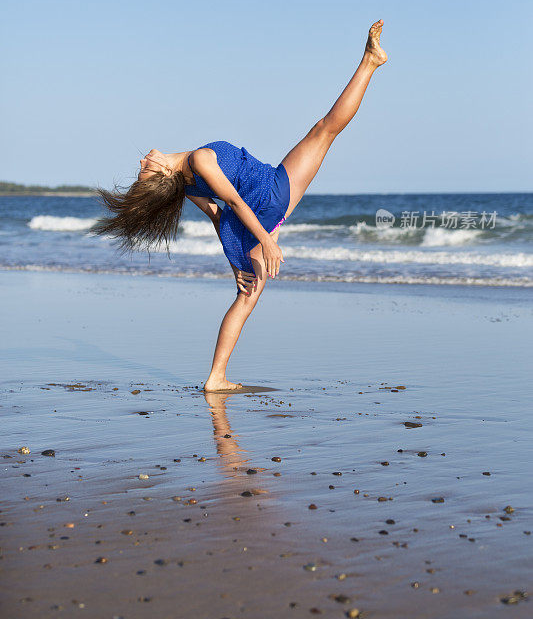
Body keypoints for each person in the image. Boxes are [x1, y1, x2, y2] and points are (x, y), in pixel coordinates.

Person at [94, 20, 387, 391]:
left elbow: (219, 216)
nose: (142, 162)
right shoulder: (198, 162)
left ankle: (216, 378)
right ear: (159, 174)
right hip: (267, 195)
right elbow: (230, 201)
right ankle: (369, 62)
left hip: (255, 209)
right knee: (324, 129)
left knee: (246, 297)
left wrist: (237, 258)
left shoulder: (186, 180)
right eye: (144, 171)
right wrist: (265, 241)